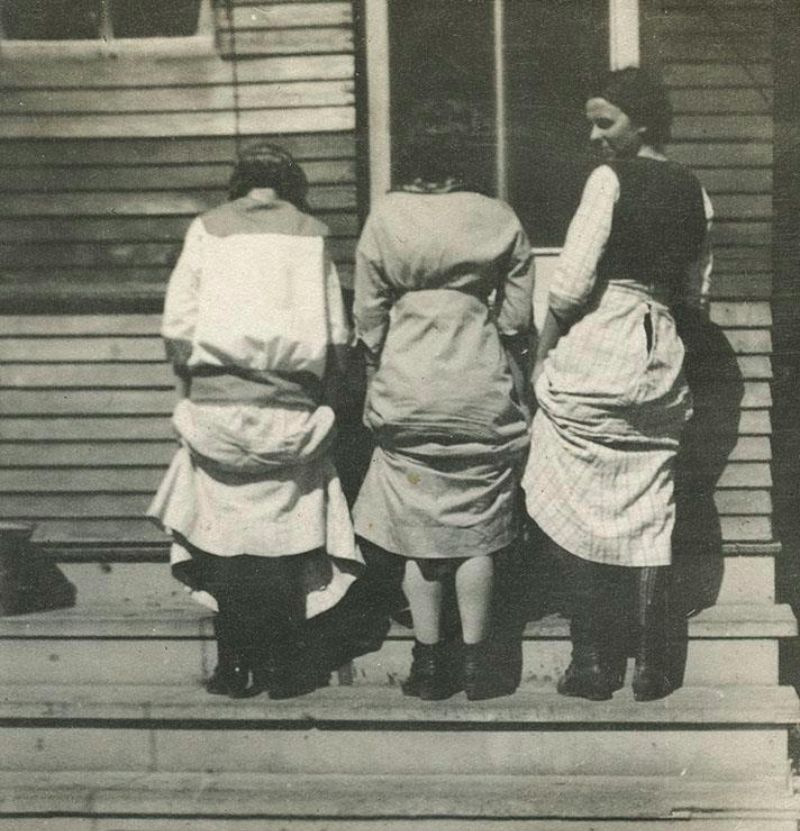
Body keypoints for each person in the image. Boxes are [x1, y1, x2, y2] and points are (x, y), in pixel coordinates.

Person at [523, 67, 714, 702]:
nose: (594, 136)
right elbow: (696, 293)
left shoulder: (609, 179)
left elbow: (571, 283)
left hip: (603, 342)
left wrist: (543, 357)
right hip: (659, 354)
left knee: (575, 494)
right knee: (649, 507)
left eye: (605, 123)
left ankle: (594, 660)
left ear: (643, 122)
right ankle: (653, 663)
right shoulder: (695, 189)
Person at [147, 142, 362, 699]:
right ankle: (280, 666)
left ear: (239, 181)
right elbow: (336, 336)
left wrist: (190, 389)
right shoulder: (311, 233)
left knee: (221, 535)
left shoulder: (206, 228)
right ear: (292, 183)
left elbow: (178, 327)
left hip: (216, 408)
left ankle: (233, 665)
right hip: (289, 411)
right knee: (284, 534)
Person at [352, 100, 534, 701]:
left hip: (408, 390)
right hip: (477, 391)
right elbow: (515, 319)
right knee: (476, 530)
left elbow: (369, 317)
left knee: (418, 533)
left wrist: (378, 371)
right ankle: (478, 666)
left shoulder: (386, 217)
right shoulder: (497, 216)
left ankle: (429, 664)